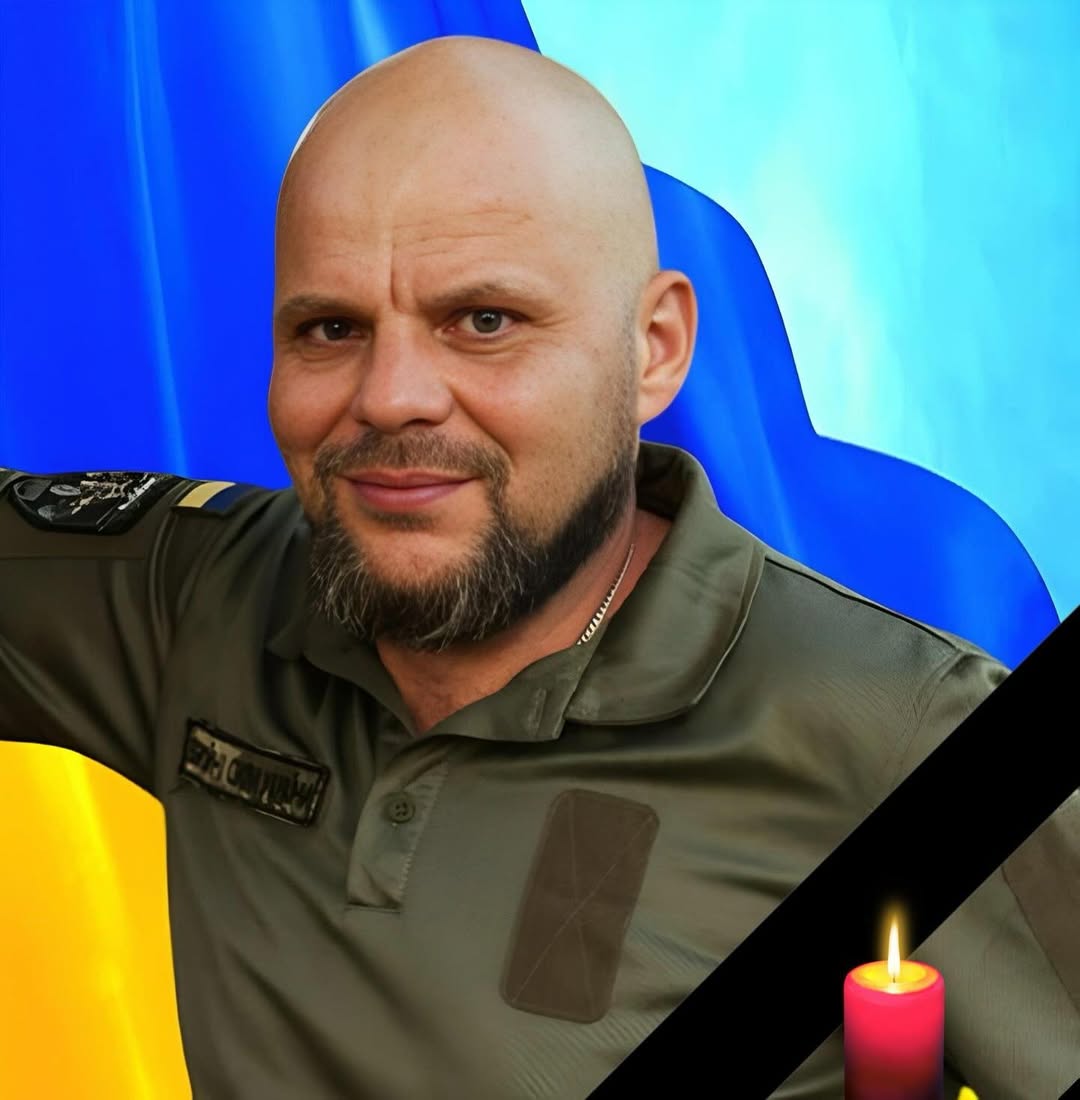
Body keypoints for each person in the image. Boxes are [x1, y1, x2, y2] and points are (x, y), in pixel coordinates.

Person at [1, 34, 1077, 1100]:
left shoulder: (908, 735)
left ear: (655, 347)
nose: (391, 396)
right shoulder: (193, 597)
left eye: (484, 321)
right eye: (330, 328)